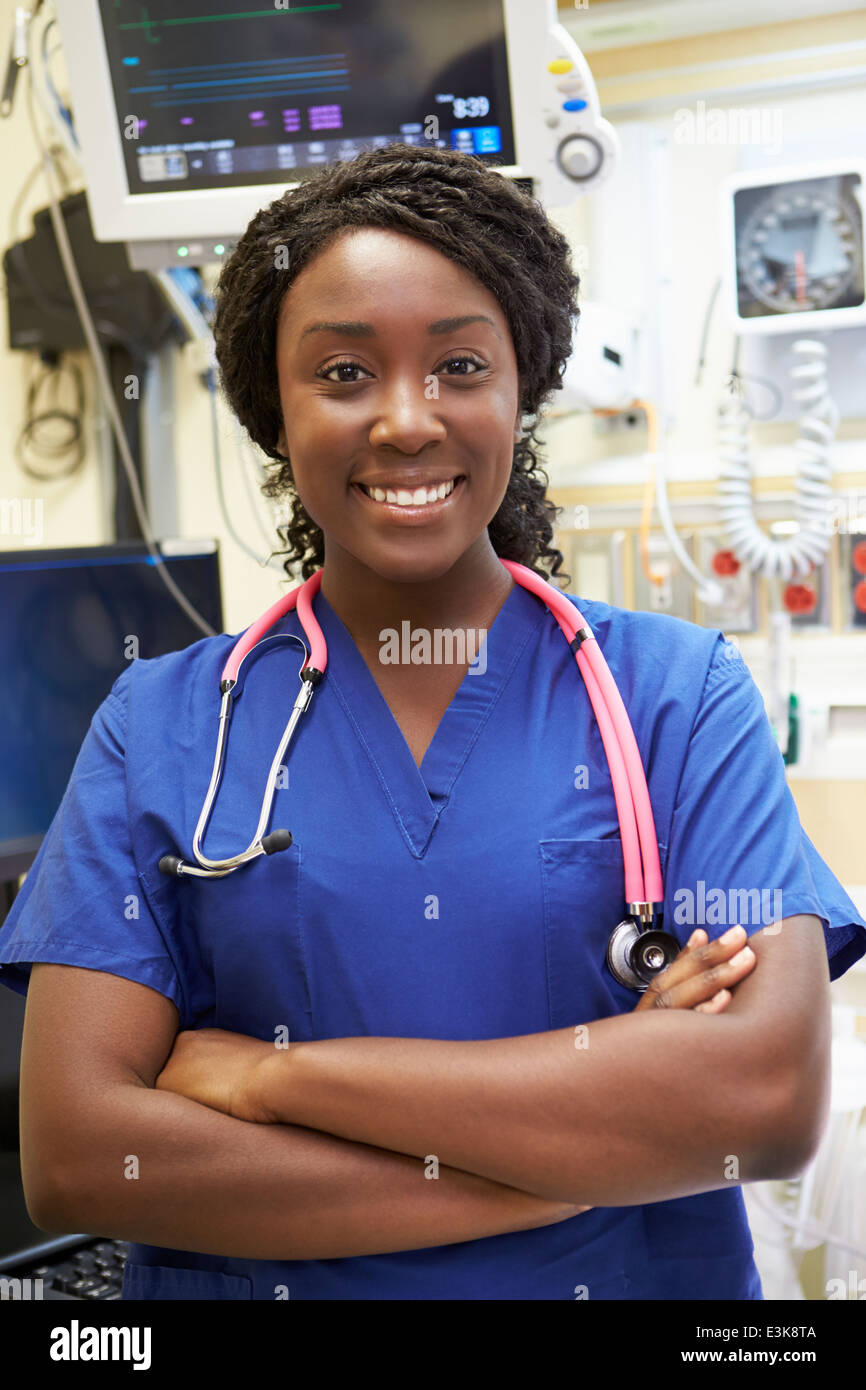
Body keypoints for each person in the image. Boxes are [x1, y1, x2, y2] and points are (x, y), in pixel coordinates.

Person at [1, 144, 864, 1302]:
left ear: (522, 385)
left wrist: (266, 1081)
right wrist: (557, 1168)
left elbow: (759, 1104)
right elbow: (82, 1153)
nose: (407, 421)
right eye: (344, 372)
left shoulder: (673, 696)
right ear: (274, 408)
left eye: (459, 363)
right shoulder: (161, 724)